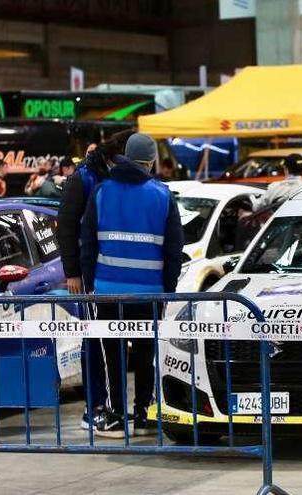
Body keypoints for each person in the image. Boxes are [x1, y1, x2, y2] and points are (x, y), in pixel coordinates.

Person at [80, 133, 183, 438]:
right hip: (149, 293)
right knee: (145, 353)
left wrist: (90, 284)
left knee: (111, 353)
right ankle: (142, 415)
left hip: (108, 291)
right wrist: (167, 291)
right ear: (151, 161)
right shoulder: (162, 196)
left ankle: (114, 413)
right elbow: (173, 251)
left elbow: (88, 244)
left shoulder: (101, 192)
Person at [57, 129, 134, 429]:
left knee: (115, 343)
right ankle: (96, 408)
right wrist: (72, 272)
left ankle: (116, 406)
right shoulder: (84, 178)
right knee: (97, 342)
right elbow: (65, 225)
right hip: (89, 274)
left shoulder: (114, 177)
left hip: (114, 274)